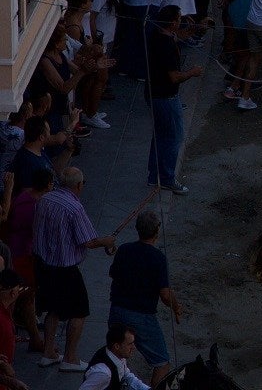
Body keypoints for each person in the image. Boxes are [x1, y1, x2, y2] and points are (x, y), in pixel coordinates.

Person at [33, 167, 115, 372]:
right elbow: (88, 240)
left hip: (44, 265)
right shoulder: (74, 208)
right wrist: (106, 241)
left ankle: (48, 352)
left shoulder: (45, 199)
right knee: (79, 311)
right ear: (78, 185)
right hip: (65, 268)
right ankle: (70, 357)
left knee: (53, 309)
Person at [107, 211, 182, 387]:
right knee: (161, 362)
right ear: (157, 231)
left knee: (116, 357)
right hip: (142, 317)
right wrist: (176, 307)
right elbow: (165, 294)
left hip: (117, 311)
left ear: (137, 229)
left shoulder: (124, 249)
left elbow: (113, 274)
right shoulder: (158, 258)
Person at [145, 5, 206, 195]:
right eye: (179, 18)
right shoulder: (167, 46)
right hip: (165, 96)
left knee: (160, 135)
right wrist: (192, 73)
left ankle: (154, 174)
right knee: (173, 137)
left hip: (153, 93)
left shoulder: (157, 35)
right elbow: (174, 77)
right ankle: (168, 179)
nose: (181, 21)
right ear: (172, 23)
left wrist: (193, 29)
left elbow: (177, 36)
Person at [78, 325, 152, 390]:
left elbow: (126, 375)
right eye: (130, 344)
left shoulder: (117, 356)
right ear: (117, 346)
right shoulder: (103, 373)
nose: (134, 347)